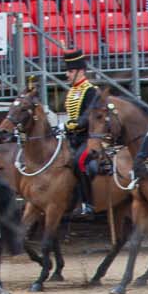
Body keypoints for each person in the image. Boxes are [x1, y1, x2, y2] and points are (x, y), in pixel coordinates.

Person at [61, 48, 99, 215]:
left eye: (70, 71)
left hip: (88, 137)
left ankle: (87, 202)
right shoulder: (73, 91)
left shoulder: (91, 91)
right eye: (67, 71)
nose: (67, 75)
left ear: (81, 71)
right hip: (72, 137)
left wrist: (69, 125)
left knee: (80, 162)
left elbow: (86, 118)